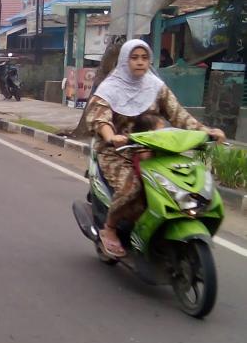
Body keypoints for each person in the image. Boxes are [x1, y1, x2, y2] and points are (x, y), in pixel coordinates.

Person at [85, 38, 225, 258]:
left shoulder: (156, 86)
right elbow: (99, 117)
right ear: (124, 60)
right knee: (134, 188)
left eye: (144, 58)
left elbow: (178, 115)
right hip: (118, 152)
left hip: (156, 148)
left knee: (180, 183)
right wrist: (111, 136)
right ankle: (110, 228)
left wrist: (206, 131)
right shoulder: (110, 88)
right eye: (134, 58)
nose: (140, 62)